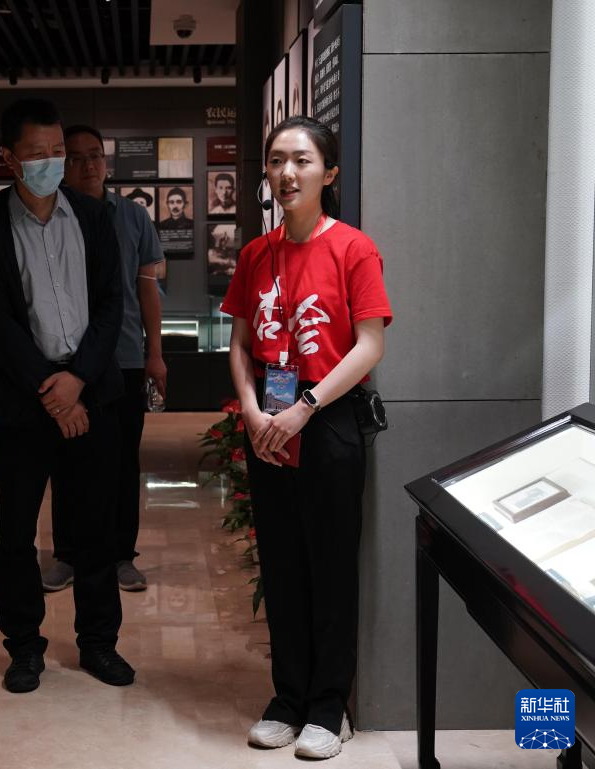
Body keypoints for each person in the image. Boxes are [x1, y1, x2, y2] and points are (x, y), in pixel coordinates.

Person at [221, 115, 391, 760]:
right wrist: (251, 411)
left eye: (301, 160)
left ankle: (328, 706)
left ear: (329, 173)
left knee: (331, 566)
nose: (286, 173)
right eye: (276, 161)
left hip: (328, 420)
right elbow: (241, 344)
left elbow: (369, 344)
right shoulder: (254, 254)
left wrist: (307, 407)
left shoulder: (353, 248)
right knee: (282, 564)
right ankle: (287, 698)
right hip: (268, 423)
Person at [0, 98, 134, 693]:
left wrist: (78, 380)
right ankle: (23, 646)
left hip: (92, 394)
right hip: (22, 399)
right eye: (38, 153)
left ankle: (99, 643)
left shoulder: (91, 216)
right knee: (16, 530)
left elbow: (111, 304)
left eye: (57, 151)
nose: (53, 162)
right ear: (10, 158)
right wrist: (53, 392)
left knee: (95, 527)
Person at [43, 124, 166, 594]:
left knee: (122, 462)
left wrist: (155, 354)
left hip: (125, 357)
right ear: (62, 166)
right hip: (67, 361)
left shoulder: (133, 216)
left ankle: (120, 555)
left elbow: (147, 289)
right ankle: (68, 554)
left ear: (106, 161)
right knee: (67, 460)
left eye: (95, 155)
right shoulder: (50, 215)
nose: (88, 165)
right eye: (75, 158)